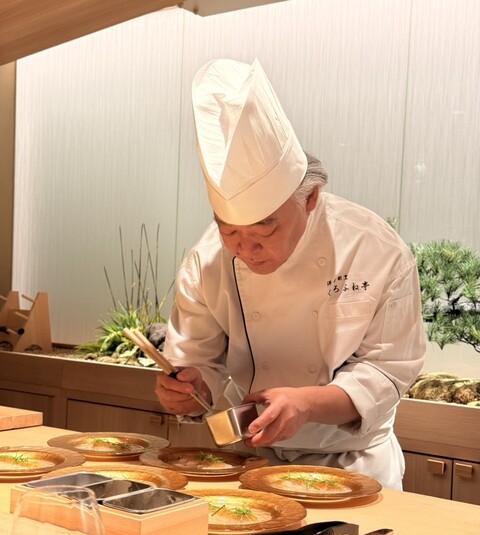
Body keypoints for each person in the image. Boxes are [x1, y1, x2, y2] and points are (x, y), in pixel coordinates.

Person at [154, 58, 426, 490]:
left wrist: (307, 404)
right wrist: (189, 391)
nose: (245, 250)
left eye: (264, 231)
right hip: (247, 460)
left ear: (310, 199)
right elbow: (198, 362)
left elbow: (387, 370)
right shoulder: (206, 260)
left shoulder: (375, 249)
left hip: (352, 464)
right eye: (230, 231)